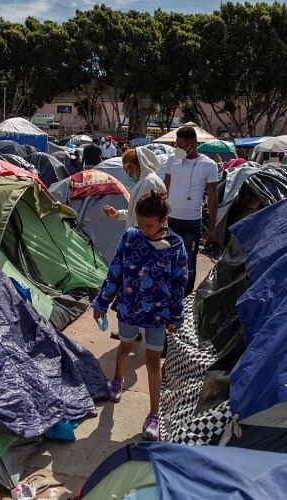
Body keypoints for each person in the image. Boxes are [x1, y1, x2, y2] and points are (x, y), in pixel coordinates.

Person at [91, 190, 188, 440]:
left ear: (163, 220)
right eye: (140, 223)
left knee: (153, 361)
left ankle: (154, 414)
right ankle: (117, 380)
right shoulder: (130, 237)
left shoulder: (176, 246)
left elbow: (179, 284)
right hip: (129, 307)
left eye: (149, 225)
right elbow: (115, 272)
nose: (143, 229)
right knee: (124, 347)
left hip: (158, 313)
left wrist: (176, 317)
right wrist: (101, 302)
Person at [164, 125, 219, 296]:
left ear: (192, 145)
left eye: (180, 146)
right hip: (171, 219)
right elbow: (165, 187)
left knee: (189, 261)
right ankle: (168, 294)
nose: (176, 149)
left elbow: (212, 197)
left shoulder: (209, 165)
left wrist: (211, 227)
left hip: (192, 222)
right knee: (168, 259)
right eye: (176, 145)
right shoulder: (172, 160)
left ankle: (184, 297)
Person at [103, 147, 165, 228]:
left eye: (127, 170)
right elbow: (138, 212)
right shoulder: (145, 181)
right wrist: (118, 214)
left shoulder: (150, 182)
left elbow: (150, 217)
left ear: (132, 166)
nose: (127, 174)